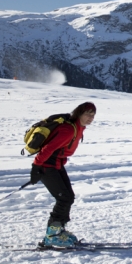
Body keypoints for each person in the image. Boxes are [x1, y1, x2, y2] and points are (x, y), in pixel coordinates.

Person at [29, 102, 96, 247]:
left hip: (56, 164)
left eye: (93, 115)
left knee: (68, 197)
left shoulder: (78, 127)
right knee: (64, 198)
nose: (91, 117)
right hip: (47, 165)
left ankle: (59, 230)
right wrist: (36, 167)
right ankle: (52, 235)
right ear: (79, 113)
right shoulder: (68, 129)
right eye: (87, 114)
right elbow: (47, 149)